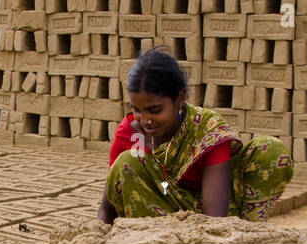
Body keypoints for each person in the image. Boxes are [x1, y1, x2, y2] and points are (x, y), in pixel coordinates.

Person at [98, 49, 293, 223]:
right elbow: (107, 207)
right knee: (127, 162)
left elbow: (215, 218)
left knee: (271, 150)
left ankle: (250, 231)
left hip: (222, 215)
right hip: (160, 216)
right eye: (137, 110)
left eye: (155, 110)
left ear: (180, 98)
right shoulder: (128, 133)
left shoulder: (206, 129)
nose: (145, 120)